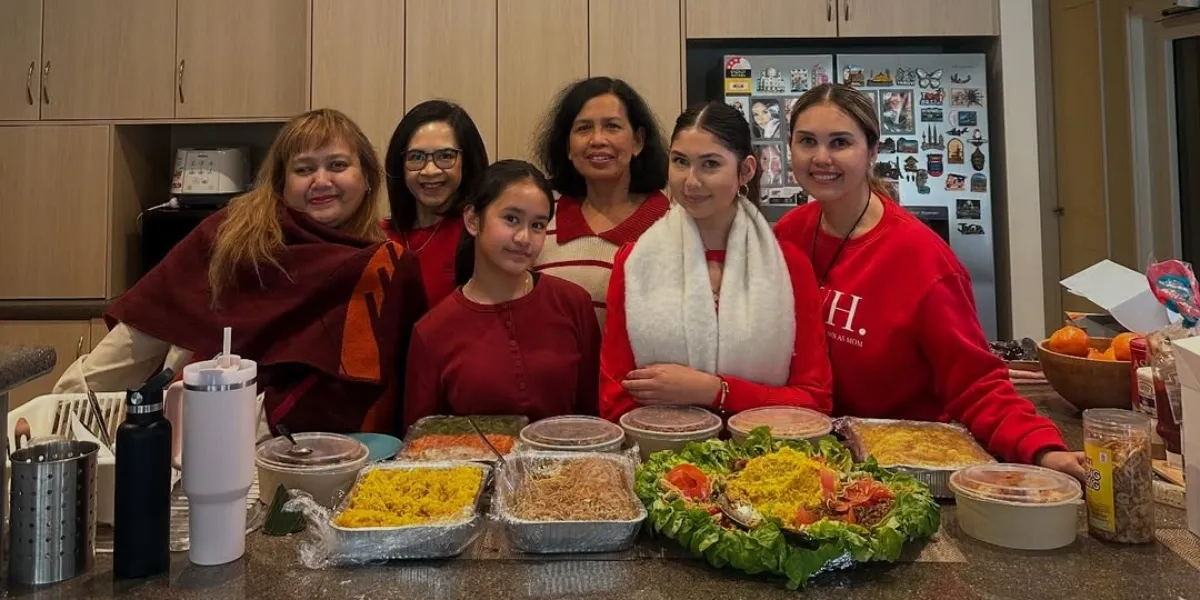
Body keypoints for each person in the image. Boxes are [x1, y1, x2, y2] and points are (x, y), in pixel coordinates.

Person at [773, 83, 1083, 479]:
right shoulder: (789, 235)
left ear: (872, 151)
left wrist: (1043, 450)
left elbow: (976, 382)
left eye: (840, 142)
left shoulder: (921, 259)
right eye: (807, 141)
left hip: (902, 468)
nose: (821, 157)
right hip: (810, 459)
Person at [54, 109, 427, 435]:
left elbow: (371, 386)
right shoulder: (230, 233)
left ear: (367, 179)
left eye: (338, 165)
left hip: (290, 445)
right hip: (187, 425)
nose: (321, 180)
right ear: (282, 182)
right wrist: (62, 409)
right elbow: (144, 331)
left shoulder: (381, 266)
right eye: (304, 169)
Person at [599, 101, 833, 421]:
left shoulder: (789, 266)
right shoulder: (635, 261)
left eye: (710, 164)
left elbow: (815, 401)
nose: (691, 181)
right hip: (663, 460)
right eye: (680, 161)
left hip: (766, 461)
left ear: (745, 171)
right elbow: (614, 399)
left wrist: (715, 391)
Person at [403, 160, 601, 429]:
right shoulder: (432, 331)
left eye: (538, 225)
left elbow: (593, 417)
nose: (524, 238)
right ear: (473, 220)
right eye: (511, 219)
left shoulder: (572, 303)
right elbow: (421, 442)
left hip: (567, 468)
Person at [533, 76, 671, 325]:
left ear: (638, 141)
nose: (597, 140)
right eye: (583, 128)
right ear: (567, 145)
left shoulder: (672, 223)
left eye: (612, 126)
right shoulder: (539, 218)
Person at [383, 100, 489, 308]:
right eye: (416, 157)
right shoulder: (377, 237)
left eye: (446, 156)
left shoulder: (481, 235)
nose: (430, 170)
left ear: (466, 162)